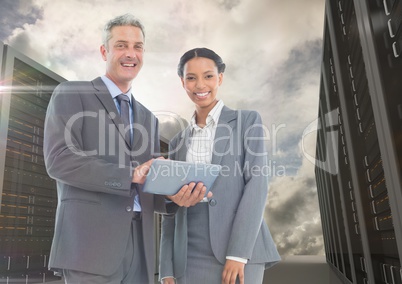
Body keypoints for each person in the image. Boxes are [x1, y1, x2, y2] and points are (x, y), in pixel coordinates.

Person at [43, 14, 208, 284]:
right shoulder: (72, 93)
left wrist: (172, 198)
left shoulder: (148, 118)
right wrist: (129, 174)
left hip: (140, 252)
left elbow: (148, 182)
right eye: (121, 45)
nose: (130, 53)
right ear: (104, 51)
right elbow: (59, 160)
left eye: (138, 47)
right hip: (89, 246)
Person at [159, 48, 281, 284]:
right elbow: (170, 210)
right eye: (191, 78)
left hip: (240, 247)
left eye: (208, 76)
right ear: (183, 82)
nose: (200, 85)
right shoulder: (177, 143)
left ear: (220, 78)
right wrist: (166, 268)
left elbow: (257, 184)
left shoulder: (247, 121)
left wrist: (238, 253)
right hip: (188, 251)